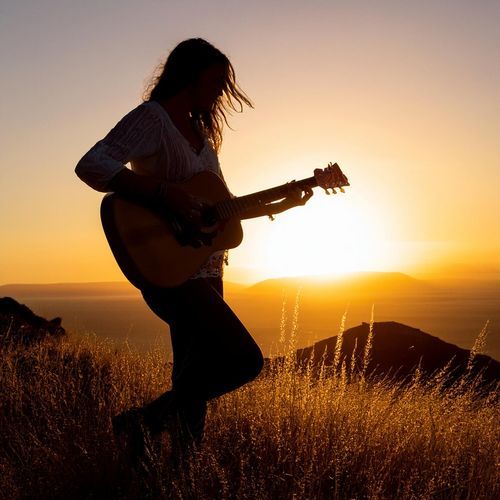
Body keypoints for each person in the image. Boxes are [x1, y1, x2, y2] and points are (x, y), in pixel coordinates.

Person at [75, 38, 313, 461]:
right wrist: (164, 193)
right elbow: (93, 163)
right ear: (190, 74)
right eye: (217, 80)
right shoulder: (153, 119)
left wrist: (284, 202)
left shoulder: (201, 136)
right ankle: (140, 421)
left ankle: (172, 473)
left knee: (194, 376)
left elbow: (215, 215)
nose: (222, 91)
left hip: (205, 269)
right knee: (244, 361)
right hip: (170, 270)